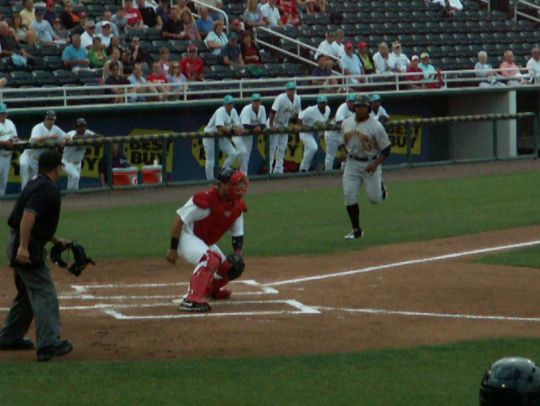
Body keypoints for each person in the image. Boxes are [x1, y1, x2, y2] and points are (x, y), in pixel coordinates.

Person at [0, 149, 73, 362]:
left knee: (26, 295)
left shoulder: (36, 181)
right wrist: (23, 247)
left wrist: (55, 240)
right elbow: (28, 216)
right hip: (26, 245)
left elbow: (35, 220)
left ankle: (9, 338)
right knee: (44, 293)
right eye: (60, 166)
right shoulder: (47, 188)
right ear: (55, 168)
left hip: (20, 241)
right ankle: (48, 344)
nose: (61, 170)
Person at [166, 167, 249, 313]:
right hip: (187, 237)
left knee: (232, 267)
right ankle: (191, 300)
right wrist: (173, 249)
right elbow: (179, 220)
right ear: (222, 184)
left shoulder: (237, 205)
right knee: (210, 259)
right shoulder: (205, 200)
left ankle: (210, 290)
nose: (237, 188)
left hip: (204, 242)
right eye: (233, 184)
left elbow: (237, 234)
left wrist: (238, 253)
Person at [341, 95, 390, 239]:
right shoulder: (346, 123)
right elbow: (344, 143)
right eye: (357, 106)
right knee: (349, 195)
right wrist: (343, 154)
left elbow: (386, 149)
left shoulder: (376, 126)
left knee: (375, 199)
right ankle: (356, 230)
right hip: (352, 163)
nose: (360, 109)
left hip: (370, 163)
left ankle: (381, 187)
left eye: (363, 107)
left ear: (368, 109)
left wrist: (375, 165)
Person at [19, 111, 66, 189]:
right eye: (49, 119)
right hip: (28, 155)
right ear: (45, 119)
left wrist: (65, 140)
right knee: (24, 166)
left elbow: (67, 136)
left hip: (38, 161)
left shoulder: (56, 129)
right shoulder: (38, 127)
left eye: (52, 119)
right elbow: (33, 140)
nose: (51, 121)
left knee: (34, 183)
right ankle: (23, 193)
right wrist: (48, 137)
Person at [202, 95, 242, 180]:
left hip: (220, 136)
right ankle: (209, 180)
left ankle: (222, 170)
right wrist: (232, 131)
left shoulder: (233, 111)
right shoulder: (221, 111)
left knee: (233, 153)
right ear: (225, 105)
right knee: (210, 160)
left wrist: (238, 129)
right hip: (209, 136)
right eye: (228, 104)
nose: (230, 105)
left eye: (231, 103)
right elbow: (219, 127)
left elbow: (238, 125)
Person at [268, 81, 302, 174]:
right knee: (272, 148)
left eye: (293, 90)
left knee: (282, 147)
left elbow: (299, 113)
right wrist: (271, 126)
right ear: (286, 90)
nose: (291, 91)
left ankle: (278, 170)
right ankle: (269, 170)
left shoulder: (297, 98)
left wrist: (298, 124)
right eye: (289, 90)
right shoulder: (281, 98)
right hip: (275, 123)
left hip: (285, 124)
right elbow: (272, 112)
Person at [297, 95, 330, 172]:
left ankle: (303, 170)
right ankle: (303, 168)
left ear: (326, 103)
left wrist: (321, 133)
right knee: (313, 147)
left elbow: (323, 122)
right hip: (304, 132)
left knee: (308, 150)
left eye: (324, 103)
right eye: (320, 103)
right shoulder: (310, 110)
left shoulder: (328, 109)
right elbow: (300, 116)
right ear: (317, 103)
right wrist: (300, 126)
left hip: (312, 132)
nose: (322, 104)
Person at [62, 118, 97, 190]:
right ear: (76, 127)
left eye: (83, 126)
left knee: (73, 181)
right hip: (66, 162)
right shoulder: (71, 133)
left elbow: (99, 136)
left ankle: (71, 197)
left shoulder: (87, 132)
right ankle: (71, 195)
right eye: (79, 126)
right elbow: (75, 138)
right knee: (75, 176)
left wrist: (90, 136)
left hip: (78, 163)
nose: (81, 128)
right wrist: (88, 137)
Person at [324, 93, 356, 171]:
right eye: (349, 101)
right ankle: (328, 174)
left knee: (349, 153)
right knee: (331, 155)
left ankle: (344, 171)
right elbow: (339, 122)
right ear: (346, 101)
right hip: (333, 133)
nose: (351, 103)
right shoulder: (343, 107)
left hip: (344, 133)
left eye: (352, 101)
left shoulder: (357, 109)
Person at [236, 93, 266, 174]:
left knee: (247, 155)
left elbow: (263, 124)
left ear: (260, 102)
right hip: (239, 134)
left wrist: (259, 127)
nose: (256, 103)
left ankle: (243, 175)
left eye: (258, 101)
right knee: (242, 152)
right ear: (251, 102)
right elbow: (245, 125)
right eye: (254, 101)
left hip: (249, 135)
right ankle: (240, 174)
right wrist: (256, 128)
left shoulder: (262, 108)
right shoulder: (247, 109)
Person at [0, 103, 19, 196]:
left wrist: (14, 140)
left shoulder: (10, 123)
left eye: (4, 113)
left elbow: (15, 137)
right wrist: (4, 143)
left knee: (4, 181)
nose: (2, 115)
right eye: (0, 113)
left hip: (8, 156)